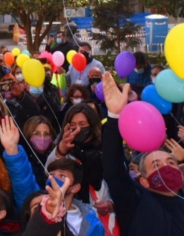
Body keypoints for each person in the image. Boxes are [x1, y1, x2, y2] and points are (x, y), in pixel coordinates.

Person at [101, 72, 184, 236]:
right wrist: (115, 116)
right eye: (156, 165)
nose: (166, 167)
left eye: (171, 162)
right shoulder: (134, 202)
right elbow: (113, 170)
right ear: (144, 181)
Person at [47, 105, 115, 231]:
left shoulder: (107, 152)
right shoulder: (64, 153)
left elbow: (121, 186)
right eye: (72, 124)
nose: (77, 129)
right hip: (70, 219)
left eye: (82, 124)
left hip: (103, 223)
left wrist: (111, 205)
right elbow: (50, 174)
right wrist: (61, 150)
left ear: (92, 125)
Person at [47, 158, 105, 236]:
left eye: (62, 176)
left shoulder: (92, 224)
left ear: (75, 188)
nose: (53, 179)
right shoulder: (38, 210)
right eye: (51, 175)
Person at [22, 116, 57, 188]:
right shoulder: (23, 159)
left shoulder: (55, 157)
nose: (42, 138)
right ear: (28, 134)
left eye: (46, 134)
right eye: (36, 133)